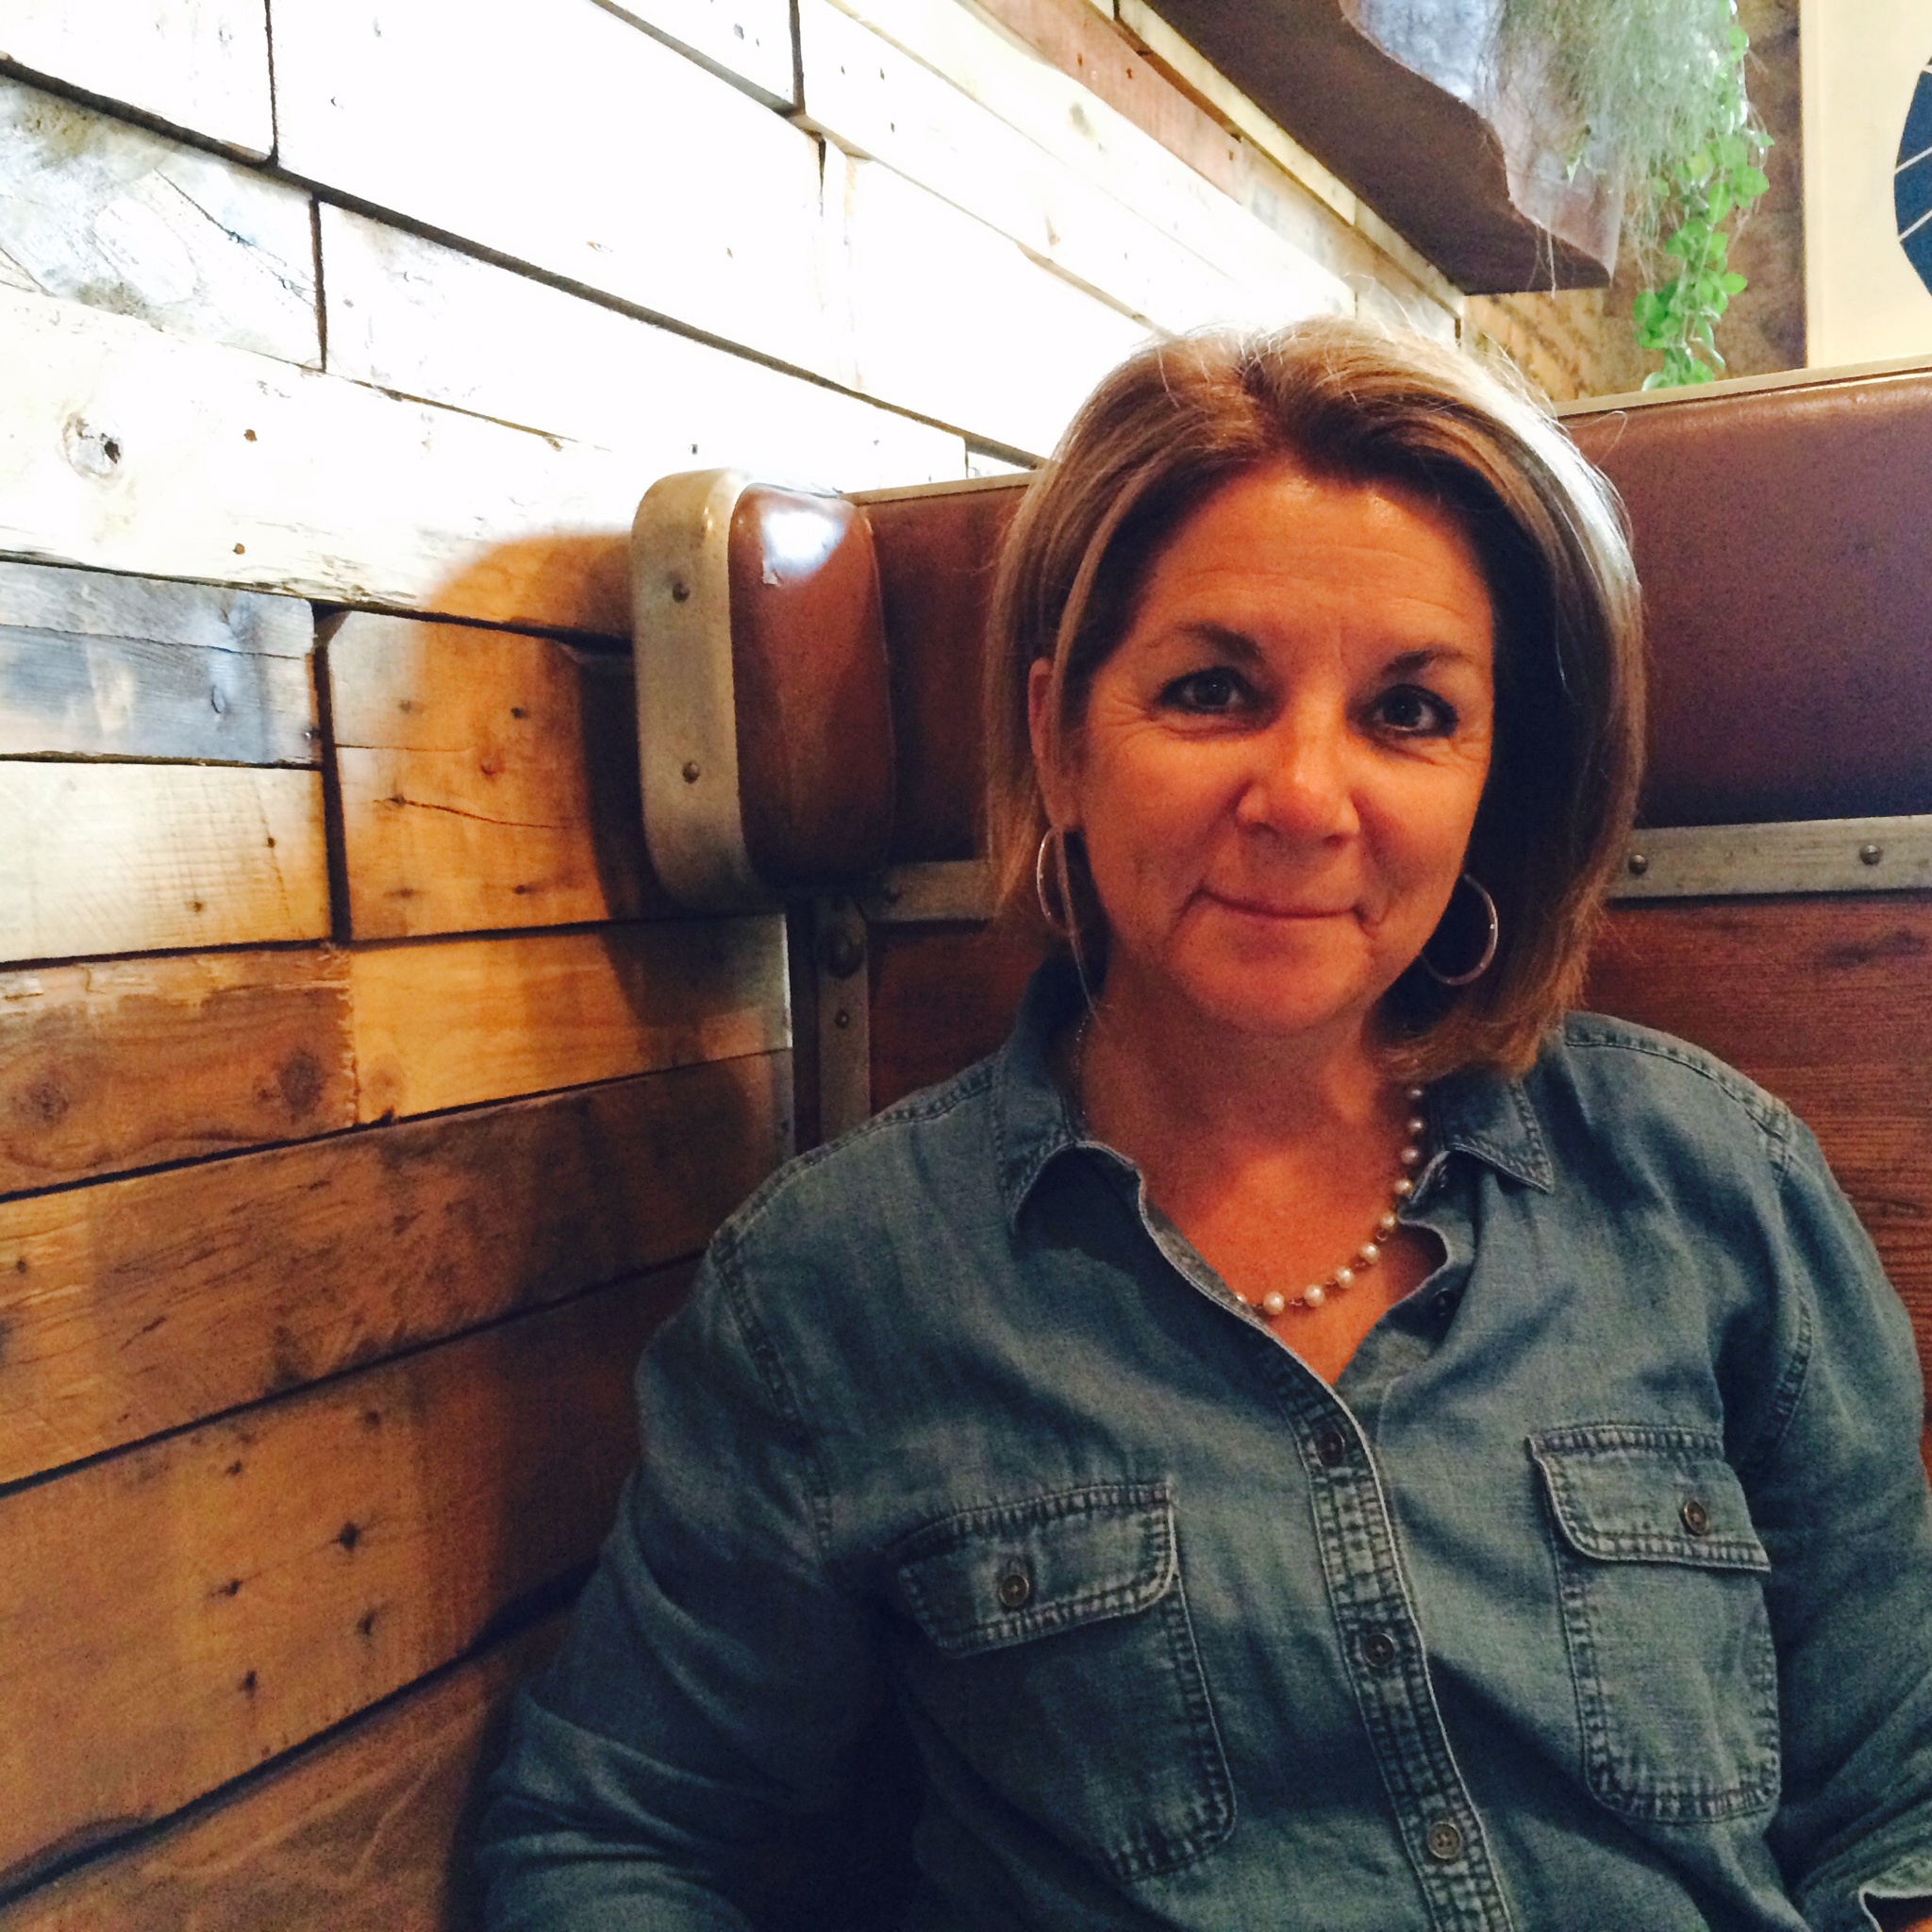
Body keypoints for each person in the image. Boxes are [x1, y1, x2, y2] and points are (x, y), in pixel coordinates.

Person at [478, 322, 1932, 1931]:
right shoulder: (836, 1289)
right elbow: (602, 1839)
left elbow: (1903, 1794)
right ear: (1061, 739)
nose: (1304, 798)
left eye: (1410, 711)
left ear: (1494, 780)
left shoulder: (1713, 1185)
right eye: (1213, 690)